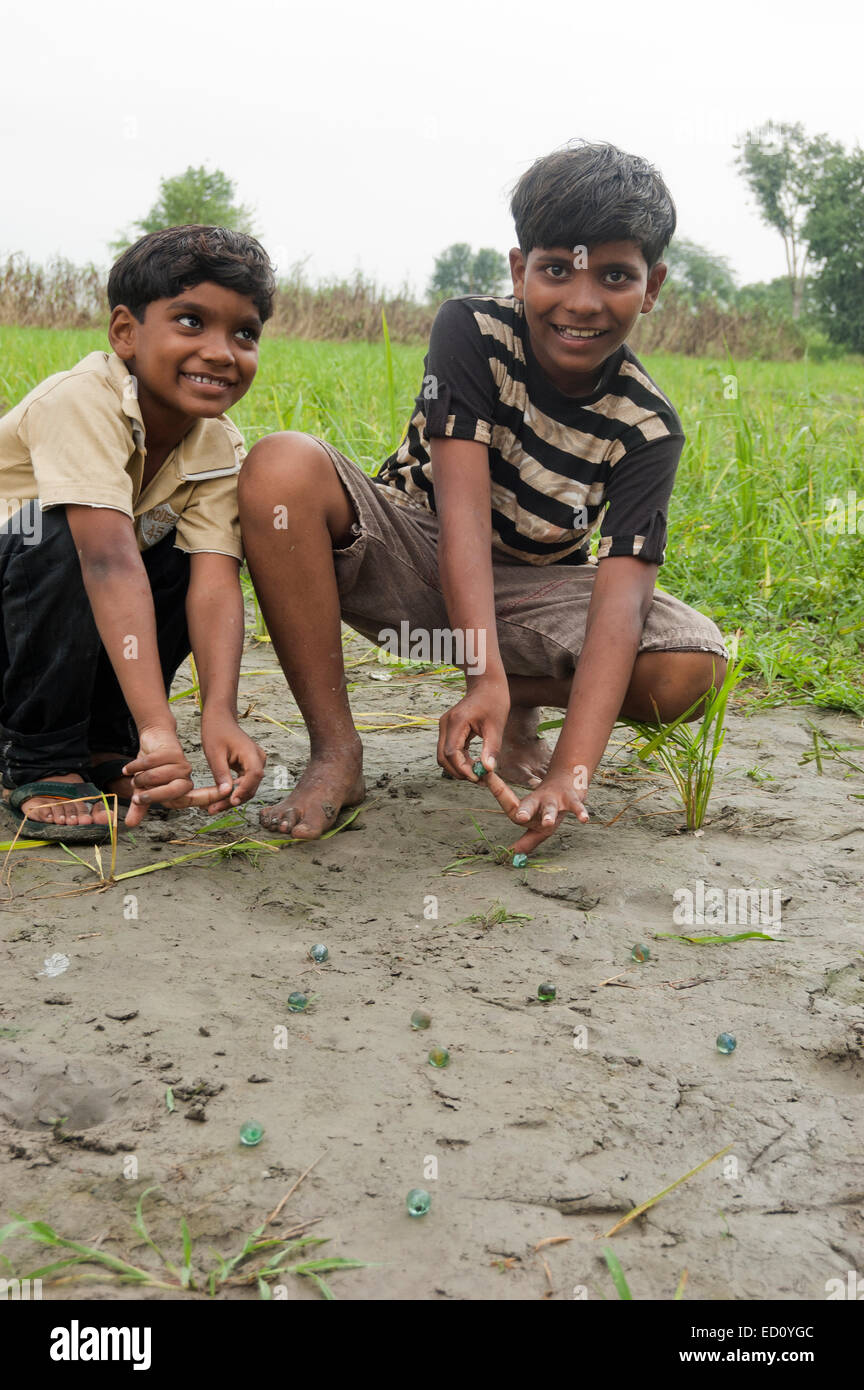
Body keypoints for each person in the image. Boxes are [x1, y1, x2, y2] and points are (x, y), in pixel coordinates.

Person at [239, 142, 727, 854]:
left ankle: (516, 700)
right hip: (416, 550)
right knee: (281, 467)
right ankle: (337, 754)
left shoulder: (648, 428)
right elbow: (463, 518)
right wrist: (479, 670)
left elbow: (619, 604)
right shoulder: (470, 331)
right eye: (557, 270)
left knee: (693, 668)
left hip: (535, 589)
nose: (582, 302)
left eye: (616, 276)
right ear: (519, 270)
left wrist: (571, 774)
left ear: (651, 287)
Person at [0, 225, 272, 842]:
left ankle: (106, 747)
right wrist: (162, 728)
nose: (222, 351)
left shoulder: (219, 445)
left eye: (245, 332)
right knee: (61, 535)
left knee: (173, 557)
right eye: (190, 321)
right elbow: (106, 565)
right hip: (12, 622)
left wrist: (218, 715)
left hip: (67, 608)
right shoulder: (82, 400)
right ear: (125, 333)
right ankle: (40, 756)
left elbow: (213, 583)